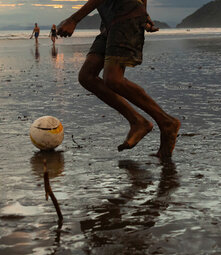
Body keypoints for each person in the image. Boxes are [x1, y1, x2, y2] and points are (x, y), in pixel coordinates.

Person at [56, 0, 181, 159]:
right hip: (111, 23)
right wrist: (145, 13)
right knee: (87, 76)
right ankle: (138, 121)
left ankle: (167, 122)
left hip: (126, 18)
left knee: (113, 79)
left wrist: (73, 20)